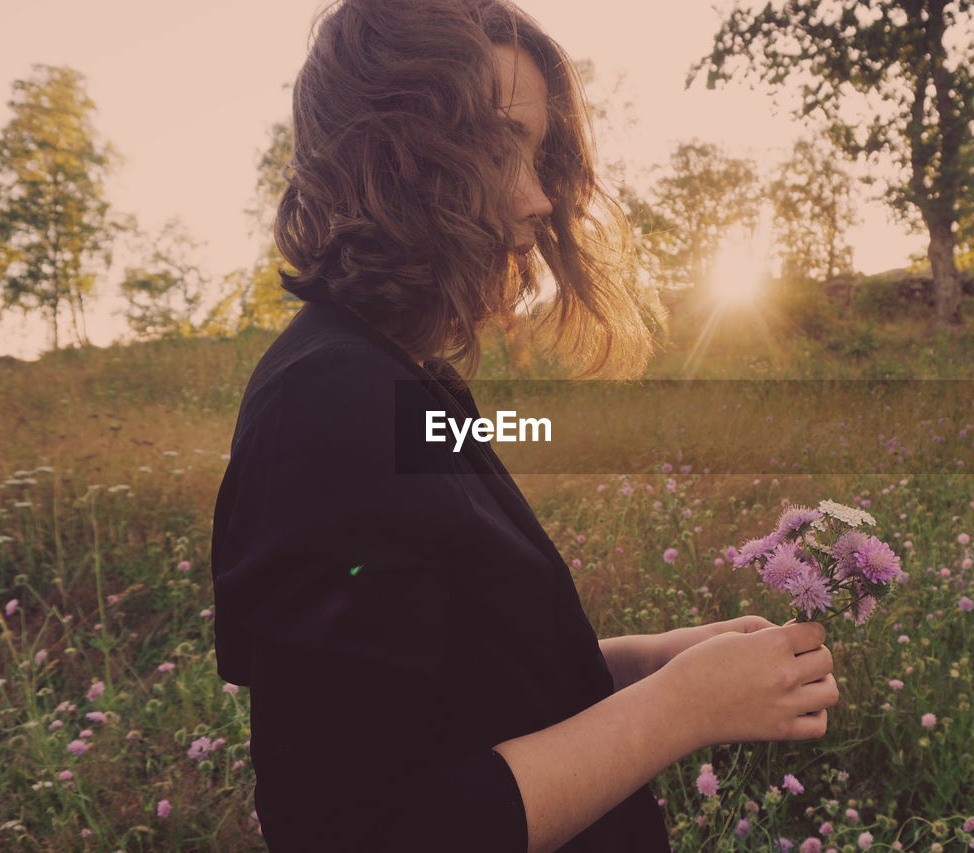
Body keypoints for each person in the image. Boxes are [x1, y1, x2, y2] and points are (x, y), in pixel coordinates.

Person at [209, 1, 840, 851]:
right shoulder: (327, 408)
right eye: (500, 149)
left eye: (540, 156)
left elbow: (458, 686)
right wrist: (679, 709)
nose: (540, 198)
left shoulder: (410, 380)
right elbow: (358, 827)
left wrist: (655, 662)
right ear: (393, 158)